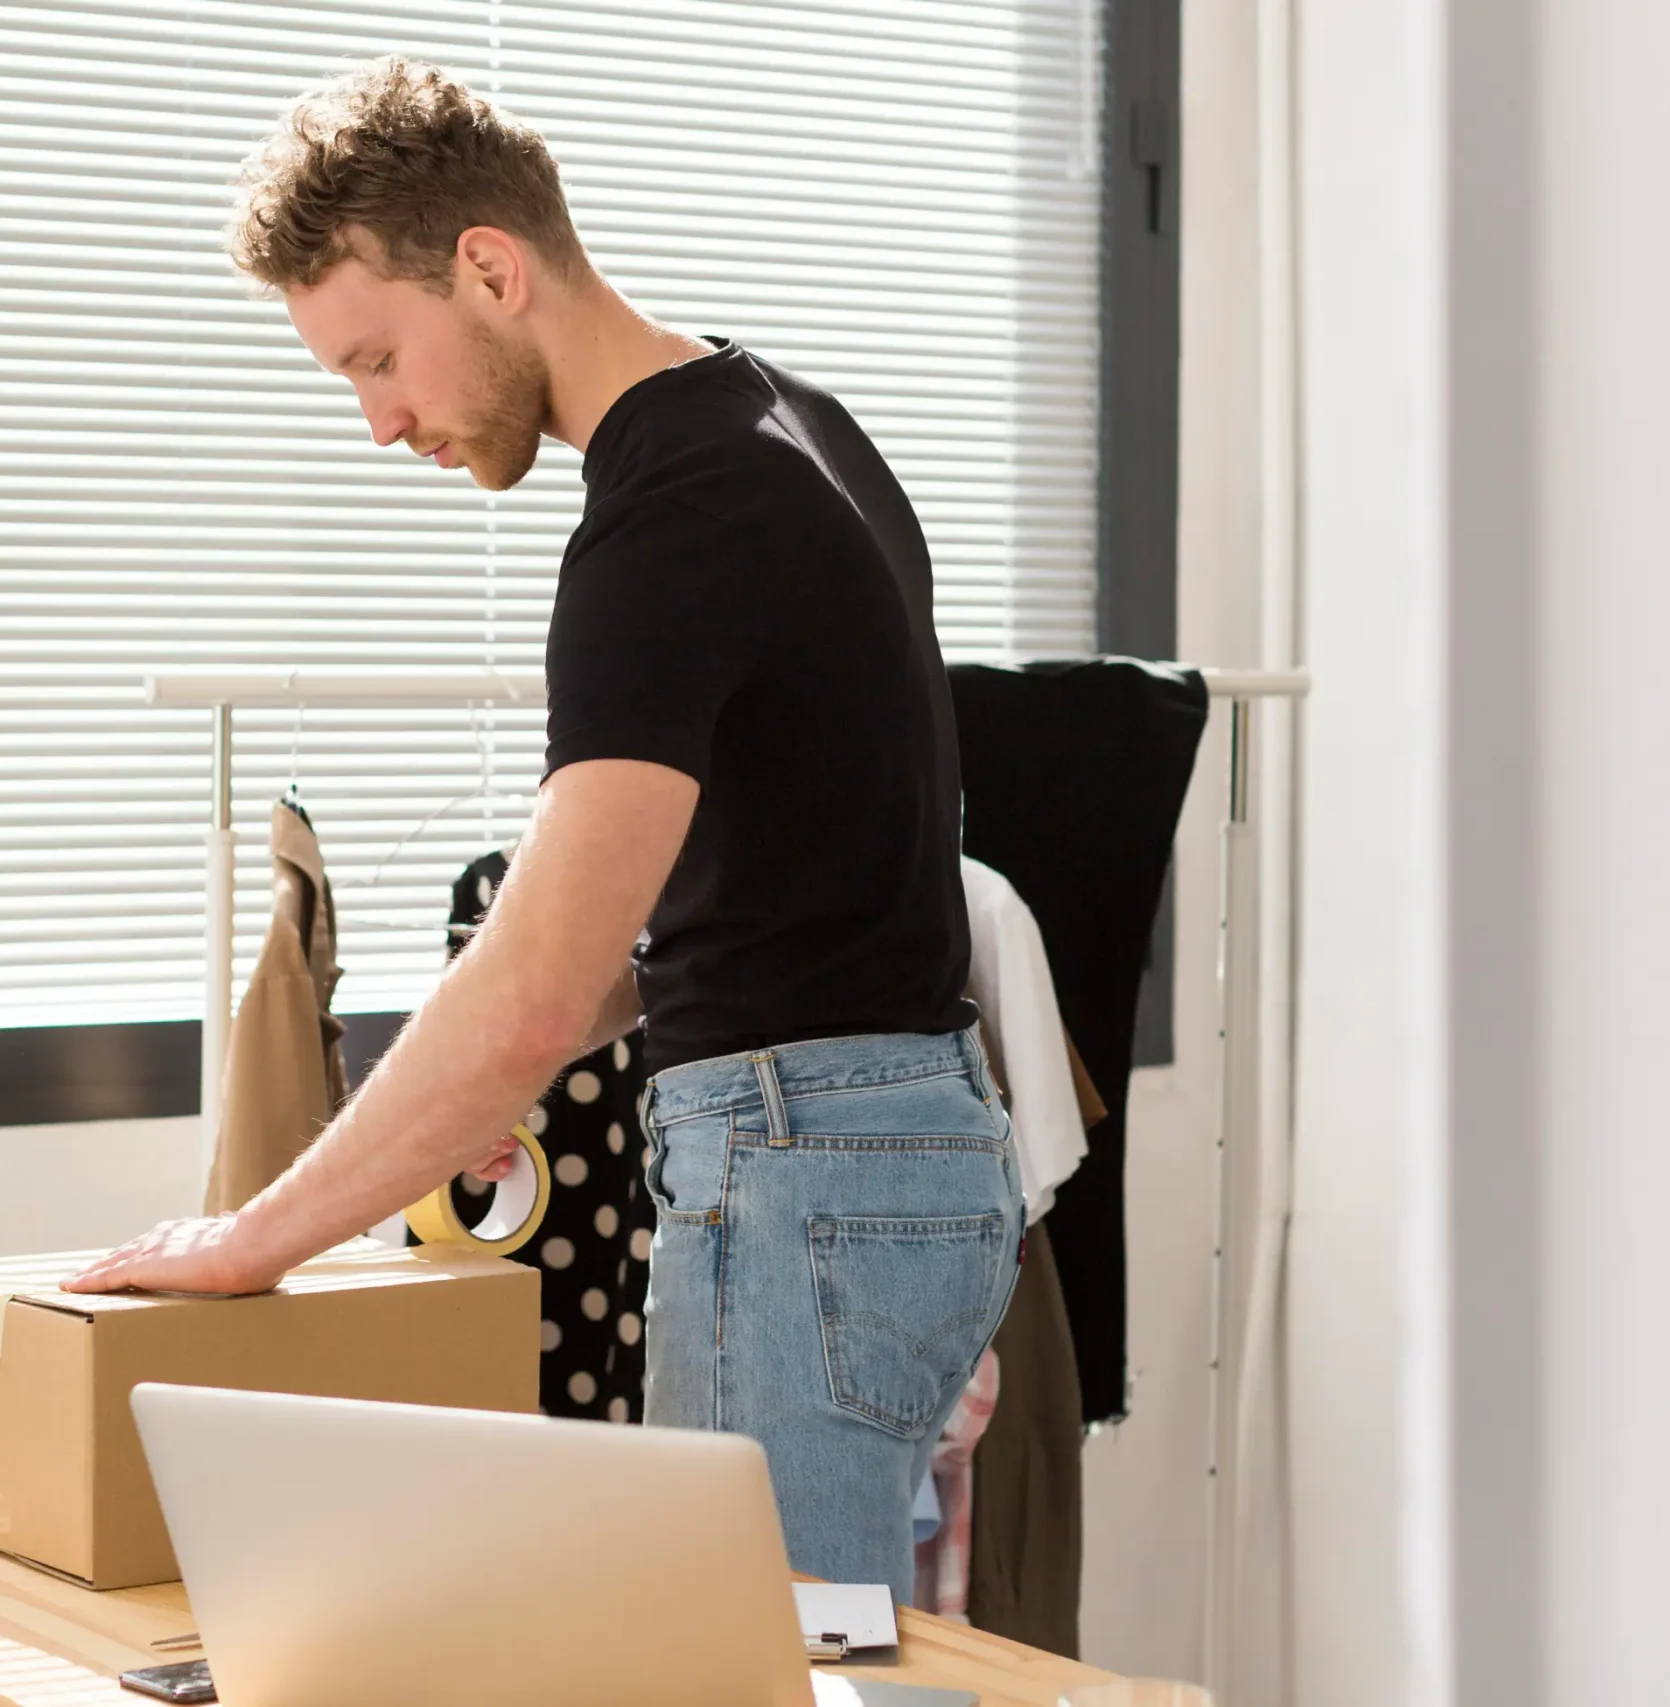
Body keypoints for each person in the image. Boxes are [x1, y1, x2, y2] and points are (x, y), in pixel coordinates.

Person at [64, 56, 1023, 1603]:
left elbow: (525, 1005)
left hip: (802, 1175)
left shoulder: (668, 520)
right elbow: (670, 939)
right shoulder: (794, 426)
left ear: (491, 268)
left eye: (379, 359)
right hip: (893, 1152)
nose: (381, 423)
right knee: (832, 1656)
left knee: (739, 1671)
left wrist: (253, 1238)